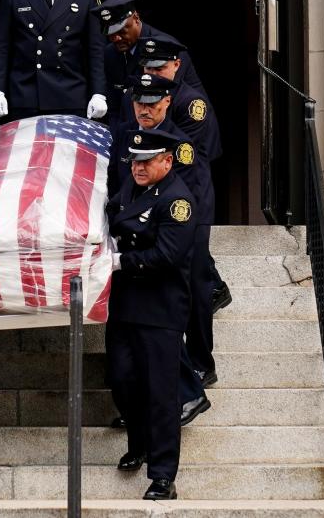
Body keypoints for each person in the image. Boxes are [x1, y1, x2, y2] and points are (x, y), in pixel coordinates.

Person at [109, 74, 212, 426]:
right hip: (138, 256)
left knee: (172, 319)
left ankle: (194, 385)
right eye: (139, 103)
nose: (144, 110)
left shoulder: (178, 145)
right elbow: (123, 191)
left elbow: (185, 194)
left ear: (167, 102)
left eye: (152, 104)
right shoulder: (128, 135)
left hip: (173, 236)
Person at [106, 127, 197, 501]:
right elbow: (114, 213)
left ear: (166, 161)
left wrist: (120, 260)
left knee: (161, 394)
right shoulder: (132, 187)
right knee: (123, 379)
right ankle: (139, 444)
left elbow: (166, 256)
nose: (138, 167)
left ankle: (163, 476)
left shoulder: (178, 201)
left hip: (159, 308)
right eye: (134, 160)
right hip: (125, 304)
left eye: (146, 161)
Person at [137, 37, 228, 384]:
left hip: (190, 203)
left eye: (160, 68)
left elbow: (184, 168)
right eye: (147, 69)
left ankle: (203, 362)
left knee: (196, 285)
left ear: (176, 65)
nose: (154, 74)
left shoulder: (191, 106)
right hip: (157, 202)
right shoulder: (144, 102)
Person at [89, 0, 203, 131]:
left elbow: (167, 104)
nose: (116, 38)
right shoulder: (110, 53)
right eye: (110, 34)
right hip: (136, 130)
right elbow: (115, 106)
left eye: (121, 31)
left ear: (136, 18)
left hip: (184, 129)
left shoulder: (167, 48)